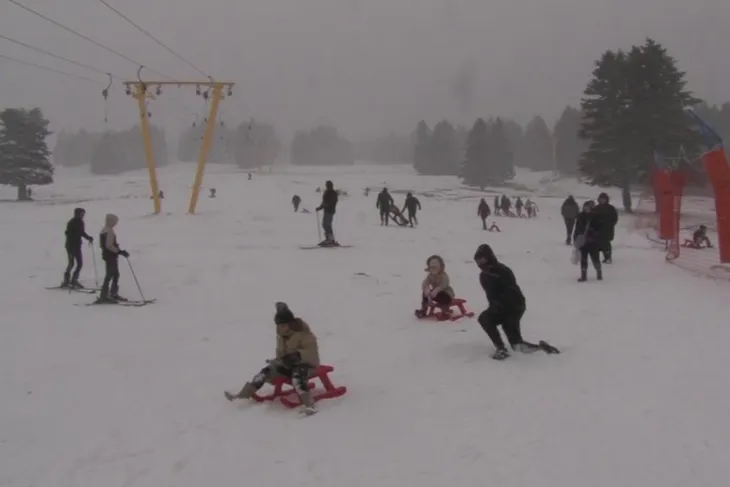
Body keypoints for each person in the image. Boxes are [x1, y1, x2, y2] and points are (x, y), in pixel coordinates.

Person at [224, 302, 319, 415]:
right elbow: (280, 354)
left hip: (307, 365)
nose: (281, 328)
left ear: (291, 324)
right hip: (288, 365)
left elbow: (313, 354)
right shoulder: (281, 336)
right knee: (265, 372)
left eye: (283, 325)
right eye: (279, 325)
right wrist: (279, 360)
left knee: (298, 376)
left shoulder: (304, 334)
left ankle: (309, 405)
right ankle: (242, 395)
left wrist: (297, 355)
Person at [473, 243, 559, 360]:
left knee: (516, 344)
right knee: (484, 318)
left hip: (514, 307)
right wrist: (494, 306)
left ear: (489, 257)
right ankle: (500, 348)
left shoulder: (503, 271)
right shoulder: (483, 276)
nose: (480, 264)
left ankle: (543, 349)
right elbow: (490, 295)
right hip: (498, 307)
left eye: (482, 260)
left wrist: (502, 305)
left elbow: (512, 292)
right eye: (478, 261)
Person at [98, 214, 129, 303]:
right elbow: (109, 245)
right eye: (115, 222)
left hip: (107, 255)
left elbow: (106, 245)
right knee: (111, 274)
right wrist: (119, 251)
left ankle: (111, 294)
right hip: (110, 255)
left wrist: (118, 250)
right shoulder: (109, 231)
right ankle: (106, 295)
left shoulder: (104, 230)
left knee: (114, 274)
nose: (115, 223)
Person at [62, 207, 93, 288]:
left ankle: (67, 280)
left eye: (83, 214)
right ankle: (72, 280)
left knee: (72, 263)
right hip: (73, 246)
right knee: (78, 263)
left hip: (70, 246)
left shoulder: (72, 222)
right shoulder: (78, 222)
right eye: (82, 214)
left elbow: (71, 233)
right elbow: (80, 232)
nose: (83, 216)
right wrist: (88, 237)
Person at [573, 200, 602, 282]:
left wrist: (593, 232)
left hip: (593, 241)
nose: (586, 208)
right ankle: (583, 275)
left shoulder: (595, 217)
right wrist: (575, 238)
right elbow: (577, 228)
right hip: (583, 241)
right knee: (583, 259)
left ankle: (599, 272)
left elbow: (600, 229)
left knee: (595, 258)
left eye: (588, 207)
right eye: (585, 207)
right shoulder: (581, 216)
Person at [593, 192, 618, 263]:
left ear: (606, 200)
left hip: (608, 229)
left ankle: (608, 257)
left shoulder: (610, 208)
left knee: (606, 243)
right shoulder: (596, 208)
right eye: (601, 199)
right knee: (600, 243)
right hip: (598, 229)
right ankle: (605, 256)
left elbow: (615, 218)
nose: (602, 201)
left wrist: (610, 224)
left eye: (603, 199)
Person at [315, 180, 339, 246]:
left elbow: (334, 201)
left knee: (326, 224)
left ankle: (330, 240)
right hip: (326, 211)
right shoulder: (326, 192)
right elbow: (324, 202)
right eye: (327, 185)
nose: (328, 186)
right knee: (325, 224)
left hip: (330, 211)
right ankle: (329, 239)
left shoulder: (333, 193)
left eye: (328, 185)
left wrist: (328, 205)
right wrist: (320, 207)